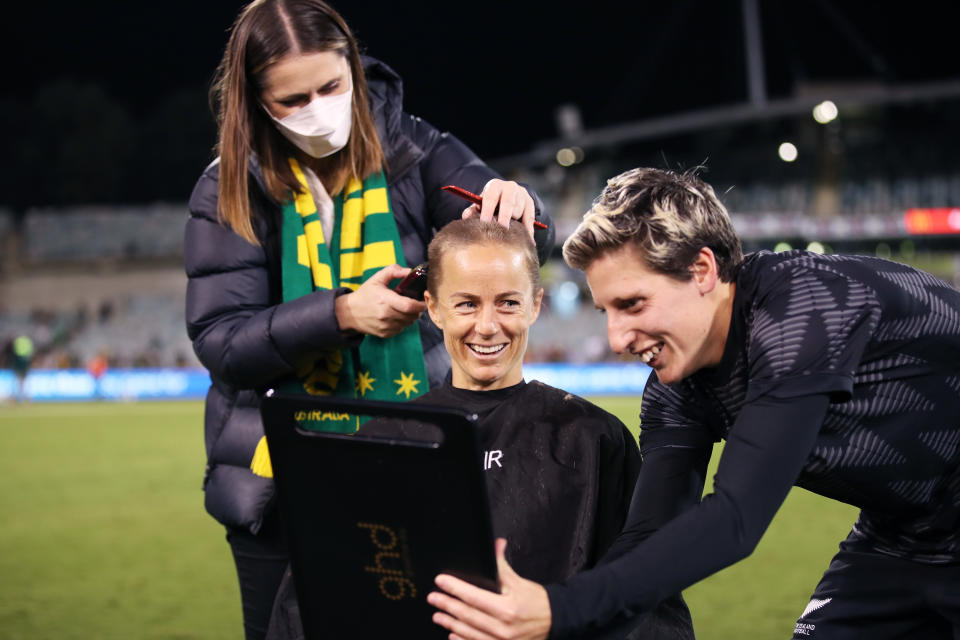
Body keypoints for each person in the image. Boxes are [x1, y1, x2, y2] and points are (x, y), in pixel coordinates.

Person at [427, 167, 960, 640]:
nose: (617, 338)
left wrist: (559, 611)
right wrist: (546, 620)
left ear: (702, 271)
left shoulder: (803, 308)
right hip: (903, 536)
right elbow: (650, 533)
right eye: (606, 310)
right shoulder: (675, 385)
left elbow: (735, 517)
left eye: (633, 304)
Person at [183, 2, 554, 638]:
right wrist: (342, 313)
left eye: (330, 86)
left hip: (414, 461)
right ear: (255, 103)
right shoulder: (226, 190)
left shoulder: (415, 149)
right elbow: (223, 342)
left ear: (354, 67)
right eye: (292, 98)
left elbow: (510, 239)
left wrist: (521, 206)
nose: (319, 108)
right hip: (279, 484)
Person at [264, 217, 693, 640]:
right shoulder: (381, 443)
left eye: (508, 302)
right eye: (466, 303)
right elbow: (315, 603)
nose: (487, 326)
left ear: (535, 305)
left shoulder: (595, 439)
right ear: (433, 308)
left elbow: (646, 601)